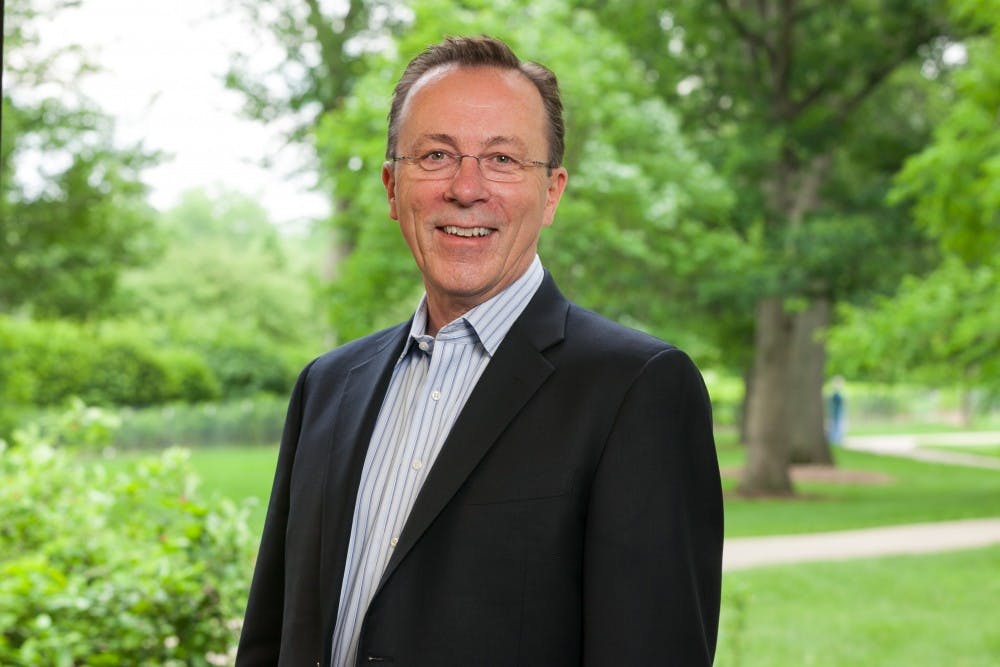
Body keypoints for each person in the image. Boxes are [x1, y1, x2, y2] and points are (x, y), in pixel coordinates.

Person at [236, 35, 723, 667]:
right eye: (436, 154)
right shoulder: (327, 387)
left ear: (552, 192)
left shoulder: (638, 390)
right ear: (391, 186)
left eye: (503, 160)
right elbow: (272, 639)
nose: (467, 189)